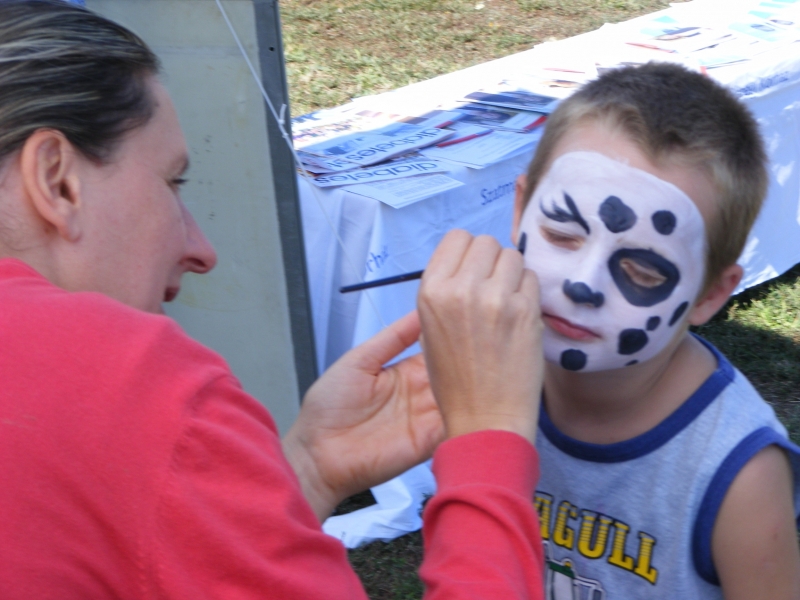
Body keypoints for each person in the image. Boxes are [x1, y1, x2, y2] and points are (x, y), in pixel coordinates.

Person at [0, 1, 547, 598]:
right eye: (171, 183)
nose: (201, 250)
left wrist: (306, 470)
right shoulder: (126, 379)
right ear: (56, 180)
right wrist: (488, 440)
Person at [510, 62, 800, 599]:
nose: (582, 283)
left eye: (643, 271)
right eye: (562, 235)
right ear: (520, 211)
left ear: (710, 295)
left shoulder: (738, 477)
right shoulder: (485, 380)